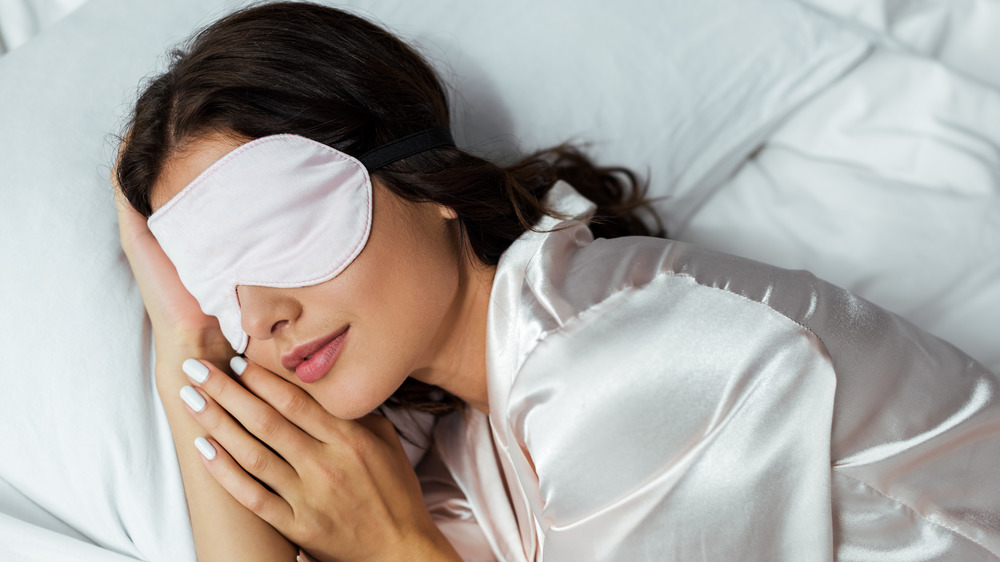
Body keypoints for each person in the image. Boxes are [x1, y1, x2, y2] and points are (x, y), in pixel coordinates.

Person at [114, 2, 1000, 561]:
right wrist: (181, 350)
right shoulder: (463, 442)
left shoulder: (631, 350)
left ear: (425, 181)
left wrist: (395, 550)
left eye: (274, 231)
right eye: (213, 281)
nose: (261, 314)